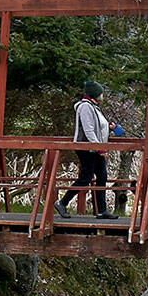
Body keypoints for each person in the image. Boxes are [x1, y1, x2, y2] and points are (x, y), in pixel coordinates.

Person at [55, 80, 117, 219]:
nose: (102, 96)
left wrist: (109, 128)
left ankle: (102, 210)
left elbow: (98, 127)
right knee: (85, 178)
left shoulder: (95, 107)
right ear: (95, 94)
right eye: (101, 94)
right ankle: (62, 203)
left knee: (102, 177)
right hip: (87, 148)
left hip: (95, 148)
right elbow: (88, 130)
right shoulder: (85, 107)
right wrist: (99, 148)